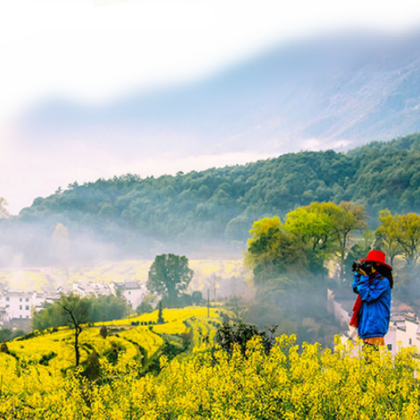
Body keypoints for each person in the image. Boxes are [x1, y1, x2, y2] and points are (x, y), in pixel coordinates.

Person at [350, 250, 393, 348]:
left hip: (375, 325)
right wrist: (359, 274)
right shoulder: (369, 278)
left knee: (372, 357)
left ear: (377, 266)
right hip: (366, 322)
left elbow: (367, 296)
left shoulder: (383, 282)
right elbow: (356, 288)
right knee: (367, 355)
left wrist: (364, 276)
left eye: (370, 265)